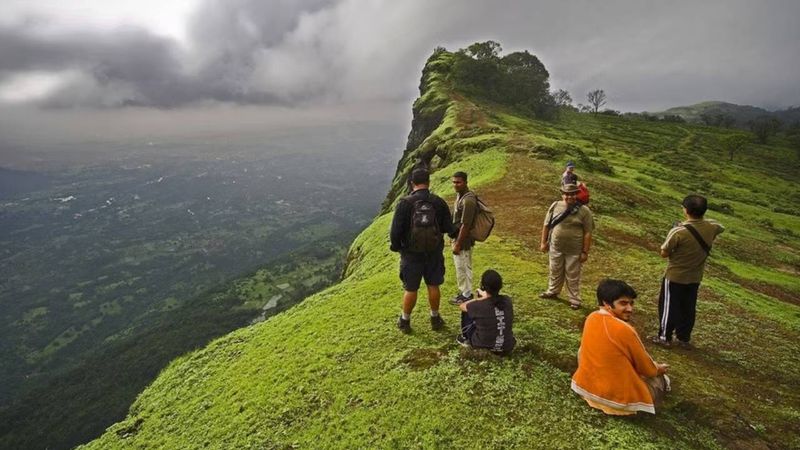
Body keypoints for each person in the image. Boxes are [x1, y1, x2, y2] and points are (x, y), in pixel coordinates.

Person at [572, 279, 670, 415]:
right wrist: (659, 369)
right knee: (660, 378)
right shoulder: (625, 329)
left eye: (631, 303)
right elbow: (647, 369)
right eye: (623, 303)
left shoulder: (591, 318)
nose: (630, 309)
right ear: (606, 303)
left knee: (582, 350)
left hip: (587, 391)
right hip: (619, 403)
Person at [653, 194, 724, 348]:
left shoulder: (679, 231)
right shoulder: (712, 228)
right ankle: (684, 338)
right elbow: (721, 227)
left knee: (668, 306)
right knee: (688, 307)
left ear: (685, 210)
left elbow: (664, 253)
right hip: (695, 277)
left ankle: (664, 337)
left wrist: (677, 228)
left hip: (675, 276)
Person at [390, 167, 455, 333]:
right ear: (428, 182)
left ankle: (405, 321)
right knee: (433, 285)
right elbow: (448, 227)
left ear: (412, 183)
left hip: (411, 254)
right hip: (433, 253)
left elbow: (395, 231)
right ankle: (435, 318)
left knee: (411, 288)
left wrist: (397, 247)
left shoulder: (405, 203)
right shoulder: (438, 202)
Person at [539, 183, 594, 309]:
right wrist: (543, 242)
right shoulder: (555, 206)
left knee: (573, 275)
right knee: (555, 270)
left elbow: (588, 232)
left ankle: (574, 299)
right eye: (567, 194)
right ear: (562, 194)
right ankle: (553, 291)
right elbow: (546, 225)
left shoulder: (584, 211)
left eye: (573, 194)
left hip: (574, 250)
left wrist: (585, 252)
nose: (570, 197)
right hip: (556, 246)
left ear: (577, 194)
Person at [456, 269, 516, 355]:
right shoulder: (507, 300)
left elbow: (462, 306)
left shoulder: (478, 305)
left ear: (483, 287)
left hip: (482, 346)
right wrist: (487, 296)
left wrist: (480, 298)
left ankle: (465, 338)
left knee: (466, 312)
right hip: (507, 347)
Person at [450, 171, 477, 305]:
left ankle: (467, 295)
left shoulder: (468, 200)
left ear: (465, 182)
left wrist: (458, 244)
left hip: (464, 241)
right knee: (460, 267)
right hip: (458, 238)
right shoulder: (460, 196)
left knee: (464, 266)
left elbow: (466, 225)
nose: (455, 185)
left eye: (458, 182)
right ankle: (463, 292)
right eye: (454, 182)